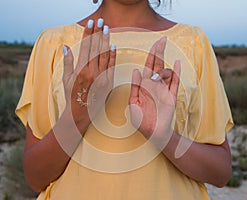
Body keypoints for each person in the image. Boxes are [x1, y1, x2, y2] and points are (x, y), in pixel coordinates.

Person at [16, 0, 234, 199]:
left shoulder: (193, 43)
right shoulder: (53, 44)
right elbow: (36, 178)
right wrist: (78, 112)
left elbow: (220, 172)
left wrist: (164, 136)